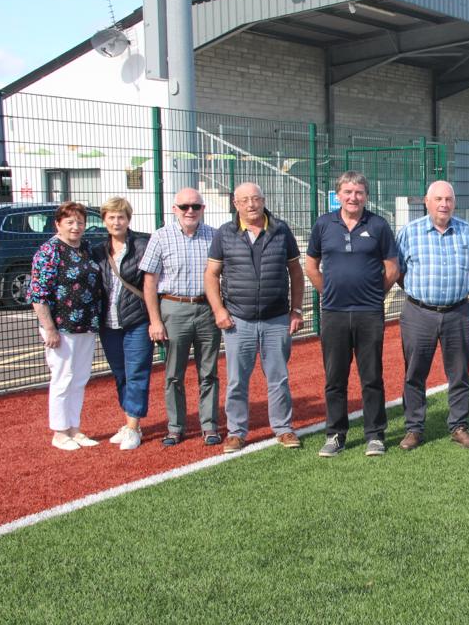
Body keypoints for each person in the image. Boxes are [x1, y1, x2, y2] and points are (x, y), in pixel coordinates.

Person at [205, 182, 305, 454]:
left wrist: (296, 310)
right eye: (245, 200)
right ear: (235, 204)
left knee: (279, 378)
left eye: (256, 199)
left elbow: (296, 272)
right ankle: (236, 432)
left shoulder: (281, 230)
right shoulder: (224, 234)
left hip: (276, 320)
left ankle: (283, 429)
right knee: (237, 379)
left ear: (263, 200)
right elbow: (211, 275)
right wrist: (219, 311)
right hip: (239, 320)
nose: (251, 205)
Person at [306, 171, 398, 457]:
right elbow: (311, 266)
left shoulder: (379, 225)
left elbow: (392, 268)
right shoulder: (324, 225)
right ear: (338, 195)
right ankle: (335, 435)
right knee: (335, 378)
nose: (353, 197)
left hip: (369, 313)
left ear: (366, 196)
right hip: (334, 313)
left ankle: (375, 435)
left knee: (371, 376)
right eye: (347, 192)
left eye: (358, 192)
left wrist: (373, 295)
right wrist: (329, 293)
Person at [395, 180, 469, 450]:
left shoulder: (467, 231)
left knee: (459, 372)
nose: (444, 204)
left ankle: (459, 426)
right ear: (427, 201)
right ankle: (414, 428)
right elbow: (398, 272)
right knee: (414, 372)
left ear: (454, 203)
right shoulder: (409, 232)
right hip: (419, 312)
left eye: (448, 199)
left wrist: (452, 293)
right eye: (438, 199)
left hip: (458, 312)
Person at [139, 188, 221, 447]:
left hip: (207, 310)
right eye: (184, 206)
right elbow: (149, 282)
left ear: (203, 208)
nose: (190, 211)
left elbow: (224, 274)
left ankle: (209, 425)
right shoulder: (160, 237)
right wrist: (155, 320)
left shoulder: (215, 236)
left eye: (195, 206)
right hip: (173, 309)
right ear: (174, 209)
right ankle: (176, 426)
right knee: (173, 374)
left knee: (208, 372)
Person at [29, 201, 103, 451]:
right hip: (61, 326)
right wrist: (49, 328)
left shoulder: (86, 248)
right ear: (58, 224)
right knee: (63, 377)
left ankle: (75, 428)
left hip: (86, 323)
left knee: (80, 378)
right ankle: (60, 432)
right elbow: (38, 294)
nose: (76, 226)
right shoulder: (49, 251)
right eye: (70, 222)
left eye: (80, 222)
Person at [92, 197, 153, 451]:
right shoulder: (97, 250)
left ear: (129, 219)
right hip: (109, 324)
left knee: (136, 372)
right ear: (104, 220)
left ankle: (133, 427)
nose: (116, 222)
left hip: (137, 319)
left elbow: (151, 282)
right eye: (111, 217)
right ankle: (129, 422)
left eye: (121, 217)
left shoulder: (143, 244)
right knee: (120, 374)